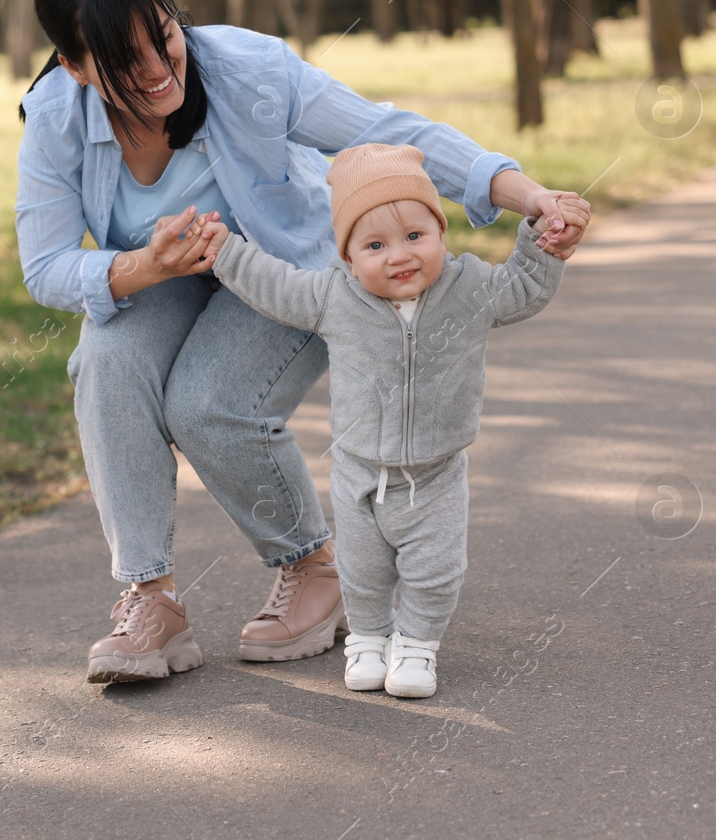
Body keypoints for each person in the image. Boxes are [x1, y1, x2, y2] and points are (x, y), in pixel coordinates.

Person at [13, 0, 589, 685]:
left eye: (164, 38)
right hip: (164, 272)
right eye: (127, 63)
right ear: (77, 67)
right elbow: (45, 264)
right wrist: (140, 266)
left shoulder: (248, 69)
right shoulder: (55, 117)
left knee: (208, 403)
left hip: (288, 264)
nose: (160, 73)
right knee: (105, 358)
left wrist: (526, 194)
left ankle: (315, 569)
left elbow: (390, 134)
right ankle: (150, 599)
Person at [200, 143, 575, 697]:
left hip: (437, 471)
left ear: (441, 236)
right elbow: (274, 284)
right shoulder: (334, 296)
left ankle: (418, 648)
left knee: (435, 570)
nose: (399, 255)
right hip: (360, 474)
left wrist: (543, 239)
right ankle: (368, 641)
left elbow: (523, 287)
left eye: (416, 237)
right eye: (375, 245)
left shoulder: (468, 288)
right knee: (363, 572)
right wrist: (223, 250)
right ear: (348, 256)